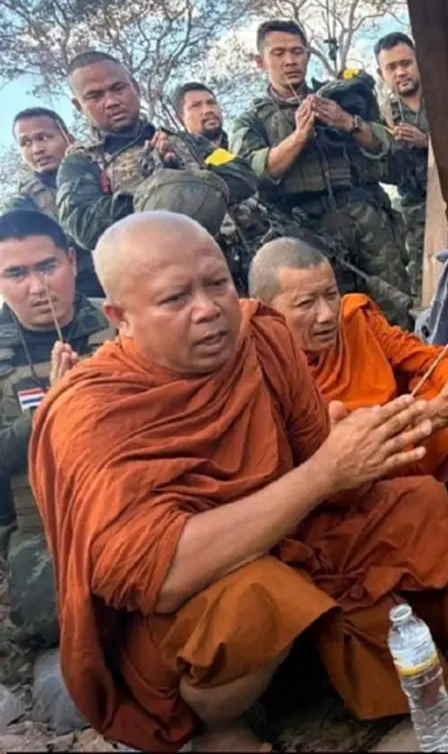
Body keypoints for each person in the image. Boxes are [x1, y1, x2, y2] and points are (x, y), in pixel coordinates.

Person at [28, 212, 448, 752]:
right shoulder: (89, 411)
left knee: (413, 502)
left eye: (217, 283)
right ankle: (216, 727)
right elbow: (155, 575)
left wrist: (380, 440)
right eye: (175, 299)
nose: (209, 309)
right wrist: (323, 473)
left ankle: (322, 669)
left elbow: (329, 471)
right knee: (257, 599)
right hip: (192, 606)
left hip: (291, 540)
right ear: (121, 317)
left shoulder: (260, 334)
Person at [248, 236, 448, 480]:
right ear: (265, 309)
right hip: (344, 474)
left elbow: (429, 357)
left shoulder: (355, 319)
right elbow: (321, 458)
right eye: (306, 303)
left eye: (331, 295)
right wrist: (444, 412)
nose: (327, 315)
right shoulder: (258, 370)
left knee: (446, 382)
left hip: (406, 433)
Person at [228, 20, 415, 327]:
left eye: (297, 51)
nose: (290, 60)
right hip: (309, 234)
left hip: (369, 221)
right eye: (278, 53)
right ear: (261, 61)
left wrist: (347, 122)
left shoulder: (341, 96)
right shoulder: (251, 121)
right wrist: (299, 136)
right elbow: (254, 174)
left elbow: (388, 145)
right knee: (332, 322)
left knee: (395, 313)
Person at [0, 209, 113, 652]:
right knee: (52, 619)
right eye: (16, 273)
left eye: (47, 267)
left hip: (140, 494)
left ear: (72, 261)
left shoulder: (123, 319)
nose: (37, 286)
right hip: (46, 522)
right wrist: (48, 411)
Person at [55, 51, 259, 251]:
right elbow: (84, 226)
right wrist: (156, 187)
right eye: (94, 96)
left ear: (135, 87)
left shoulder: (188, 141)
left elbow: (243, 174)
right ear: (78, 106)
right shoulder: (79, 163)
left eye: (118, 88)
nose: (112, 102)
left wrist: (182, 175)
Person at [7, 107, 103, 297]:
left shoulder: (100, 169)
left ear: (68, 138)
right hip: (73, 290)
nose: (37, 150)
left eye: (44, 138)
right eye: (26, 143)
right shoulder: (23, 202)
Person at [375, 31, 429, 296]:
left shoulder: (446, 99)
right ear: (381, 73)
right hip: (417, 216)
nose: (400, 72)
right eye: (391, 67)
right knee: (426, 289)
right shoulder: (382, 115)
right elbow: (385, 173)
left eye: (406, 63)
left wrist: (427, 143)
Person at [174, 82, 229, 148]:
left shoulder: (240, 148)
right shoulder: (175, 155)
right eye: (196, 105)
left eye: (211, 103)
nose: (208, 110)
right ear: (180, 119)